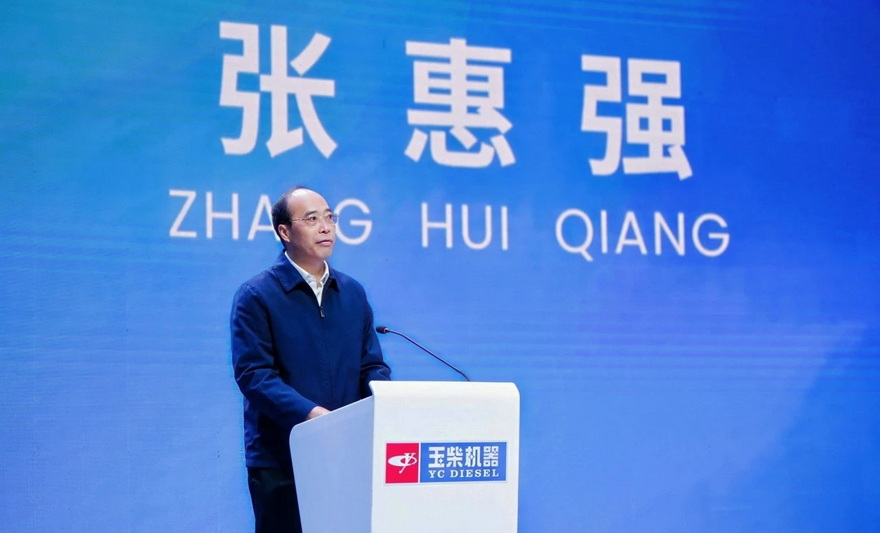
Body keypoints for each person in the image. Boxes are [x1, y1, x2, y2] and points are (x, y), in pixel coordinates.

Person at [230, 185, 391, 533]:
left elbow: (371, 366)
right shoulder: (257, 295)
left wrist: (384, 403)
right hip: (282, 456)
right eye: (312, 219)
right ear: (284, 232)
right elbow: (254, 374)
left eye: (330, 217)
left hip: (347, 452)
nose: (325, 227)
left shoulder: (352, 292)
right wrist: (313, 416)